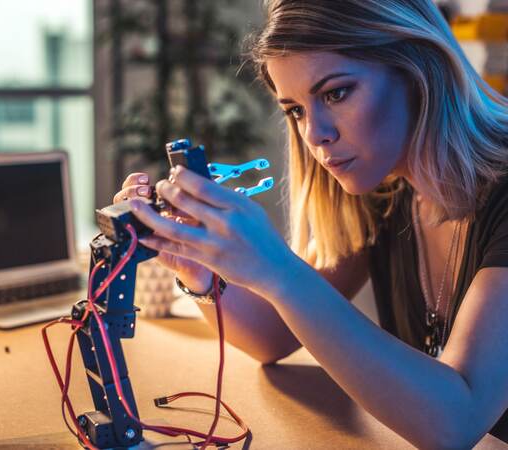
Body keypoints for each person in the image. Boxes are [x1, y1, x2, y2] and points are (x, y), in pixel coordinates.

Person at [113, 0, 508, 448]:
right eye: (295, 109)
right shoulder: (388, 190)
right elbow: (272, 336)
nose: (315, 133)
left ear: (417, 70)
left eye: (336, 93)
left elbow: (456, 421)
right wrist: (195, 265)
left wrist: (278, 269)